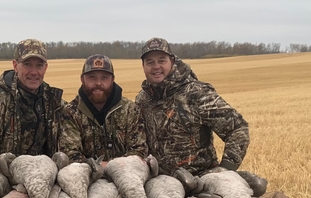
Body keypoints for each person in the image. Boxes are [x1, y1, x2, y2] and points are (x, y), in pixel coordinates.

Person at [136, 37, 249, 177]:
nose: (156, 66)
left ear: (172, 61)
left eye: (161, 60)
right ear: (143, 66)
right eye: (150, 62)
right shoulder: (143, 99)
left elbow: (237, 128)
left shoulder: (197, 93)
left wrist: (226, 168)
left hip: (200, 180)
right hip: (159, 182)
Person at [0, 39, 64, 162]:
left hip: (45, 174)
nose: (34, 72)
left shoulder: (53, 101)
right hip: (3, 176)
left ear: (45, 68)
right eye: (27, 64)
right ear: (15, 65)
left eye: (39, 65)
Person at [60, 54, 147, 163]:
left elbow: (138, 151)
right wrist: (97, 167)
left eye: (104, 77)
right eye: (92, 77)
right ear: (82, 79)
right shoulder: (71, 112)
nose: (98, 83)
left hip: (124, 174)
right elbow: (70, 154)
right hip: (85, 176)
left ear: (112, 80)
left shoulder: (130, 110)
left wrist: (112, 167)